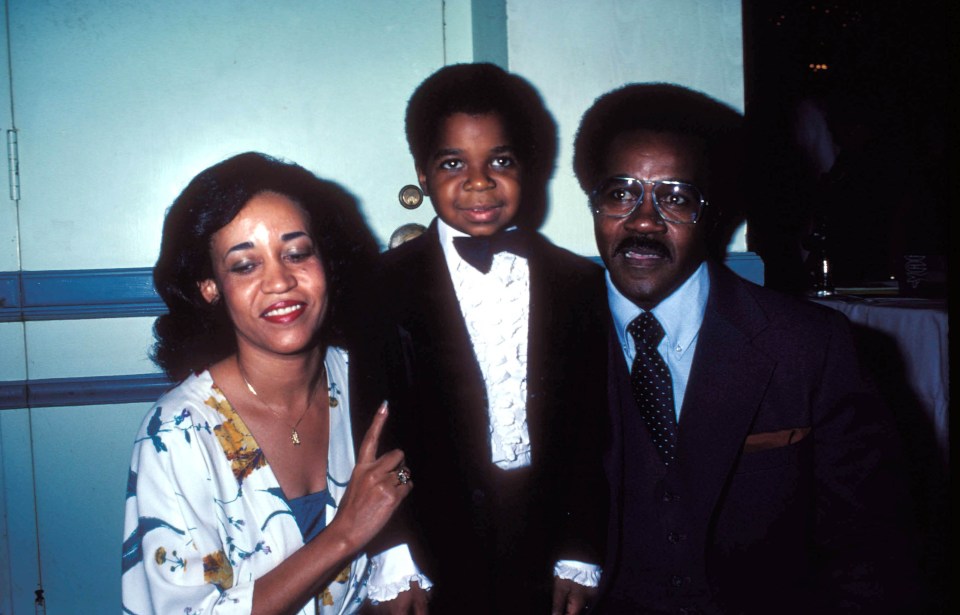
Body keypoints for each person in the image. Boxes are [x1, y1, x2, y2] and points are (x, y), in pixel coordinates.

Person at [572, 84, 923, 613]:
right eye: (621, 193)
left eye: (676, 197)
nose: (644, 221)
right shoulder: (539, 344)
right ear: (594, 203)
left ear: (712, 212)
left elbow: (870, 551)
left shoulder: (810, 346)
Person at [352, 63, 608, 614]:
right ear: (422, 175)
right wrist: (394, 554)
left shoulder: (580, 284)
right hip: (430, 550)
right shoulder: (381, 286)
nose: (478, 182)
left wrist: (581, 547)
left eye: (501, 160)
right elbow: (373, 429)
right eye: (452, 163)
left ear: (530, 168)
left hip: (549, 547)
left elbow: (593, 427)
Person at [122, 152, 415, 614]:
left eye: (297, 253)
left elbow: (410, 472)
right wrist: (344, 534)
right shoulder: (177, 434)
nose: (279, 281)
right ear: (210, 287)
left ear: (327, 263)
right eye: (244, 265)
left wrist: (403, 563)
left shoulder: (364, 375)